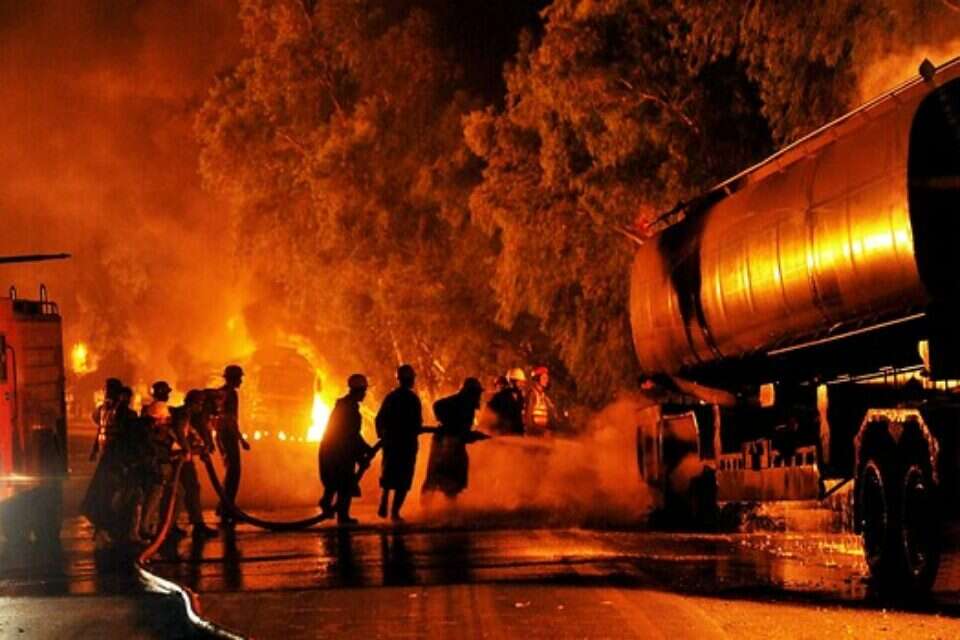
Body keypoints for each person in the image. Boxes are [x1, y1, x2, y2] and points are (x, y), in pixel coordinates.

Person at [319, 374, 374, 525]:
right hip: (340, 452)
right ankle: (342, 516)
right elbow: (351, 436)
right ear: (359, 390)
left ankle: (327, 504)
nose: (365, 394)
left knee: (335, 482)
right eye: (364, 391)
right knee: (345, 484)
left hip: (332, 449)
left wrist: (364, 451)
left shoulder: (344, 406)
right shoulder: (350, 410)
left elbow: (351, 436)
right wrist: (364, 453)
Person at [422, 377, 485, 499]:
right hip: (443, 444)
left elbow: (463, 432)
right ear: (470, 392)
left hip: (454, 444)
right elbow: (437, 406)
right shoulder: (459, 401)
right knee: (435, 477)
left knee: (454, 479)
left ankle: (450, 504)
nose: (479, 396)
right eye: (477, 393)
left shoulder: (468, 405)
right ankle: (426, 505)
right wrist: (450, 426)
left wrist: (471, 435)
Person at [375, 364, 423, 521]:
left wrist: (382, 436)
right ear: (410, 380)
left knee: (389, 474)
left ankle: (384, 502)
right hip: (407, 444)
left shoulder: (391, 397)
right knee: (404, 479)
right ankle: (394, 513)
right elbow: (417, 423)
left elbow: (379, 419)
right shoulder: (413, 399)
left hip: (391, 443)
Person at [170, 389, 218, 539]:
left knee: (183, 491)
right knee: (189, 489)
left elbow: (191, 434)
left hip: (180, 458)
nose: (201, 407)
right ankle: (196, 525)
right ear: (193, 403)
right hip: (180, 459)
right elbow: (179, 432)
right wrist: (187, 449)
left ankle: (174, 525)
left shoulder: (186, 415)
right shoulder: (183, 414)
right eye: (200, 404)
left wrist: (201, 447)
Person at [140, 381, 180, 539]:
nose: (168, 395)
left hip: (155, 456)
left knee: (159, 492)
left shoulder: (150, 408)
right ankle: (146, 527)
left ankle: (156, 525)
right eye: (166, 392)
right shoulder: (160, 408)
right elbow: (165, 433)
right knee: (155, 493)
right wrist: (179, 447)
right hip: (159, 458)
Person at [213, 364, 249, 525]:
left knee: (230, 470)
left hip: (220, 434)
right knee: (234, 471)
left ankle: (224, 505)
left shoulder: (220, 392)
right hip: (228, 434)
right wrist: (240, 439)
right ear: (233, 378)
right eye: (239, 378)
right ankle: (228, 508)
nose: (241, 381)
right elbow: (231, 418)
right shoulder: (231, 394)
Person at [89, 377, 122, 461]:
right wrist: (95, 449)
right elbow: (101, 428)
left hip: (116, 450)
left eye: (107, 388)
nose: (104, 391)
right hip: (104, 449)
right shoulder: (103, 408)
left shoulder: (121, 410)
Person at [487, 368, 525, 435]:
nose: (521, 384)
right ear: (511, 381)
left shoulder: (520, 397)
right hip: (503, 433)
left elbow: (519, 417)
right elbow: (490, 417)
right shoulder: (500, 397)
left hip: (516, 434)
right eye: (519, 382)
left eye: (522, 382)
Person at [524, 366, 555, 436]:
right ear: (537, 379)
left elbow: (550, 415)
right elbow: (528, 420)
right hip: (533, 435)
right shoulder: (532, 394)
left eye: (547, 378)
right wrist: (541, 432)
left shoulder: (544, 396)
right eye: (544, 378)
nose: (546, 380)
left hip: (541, 434)